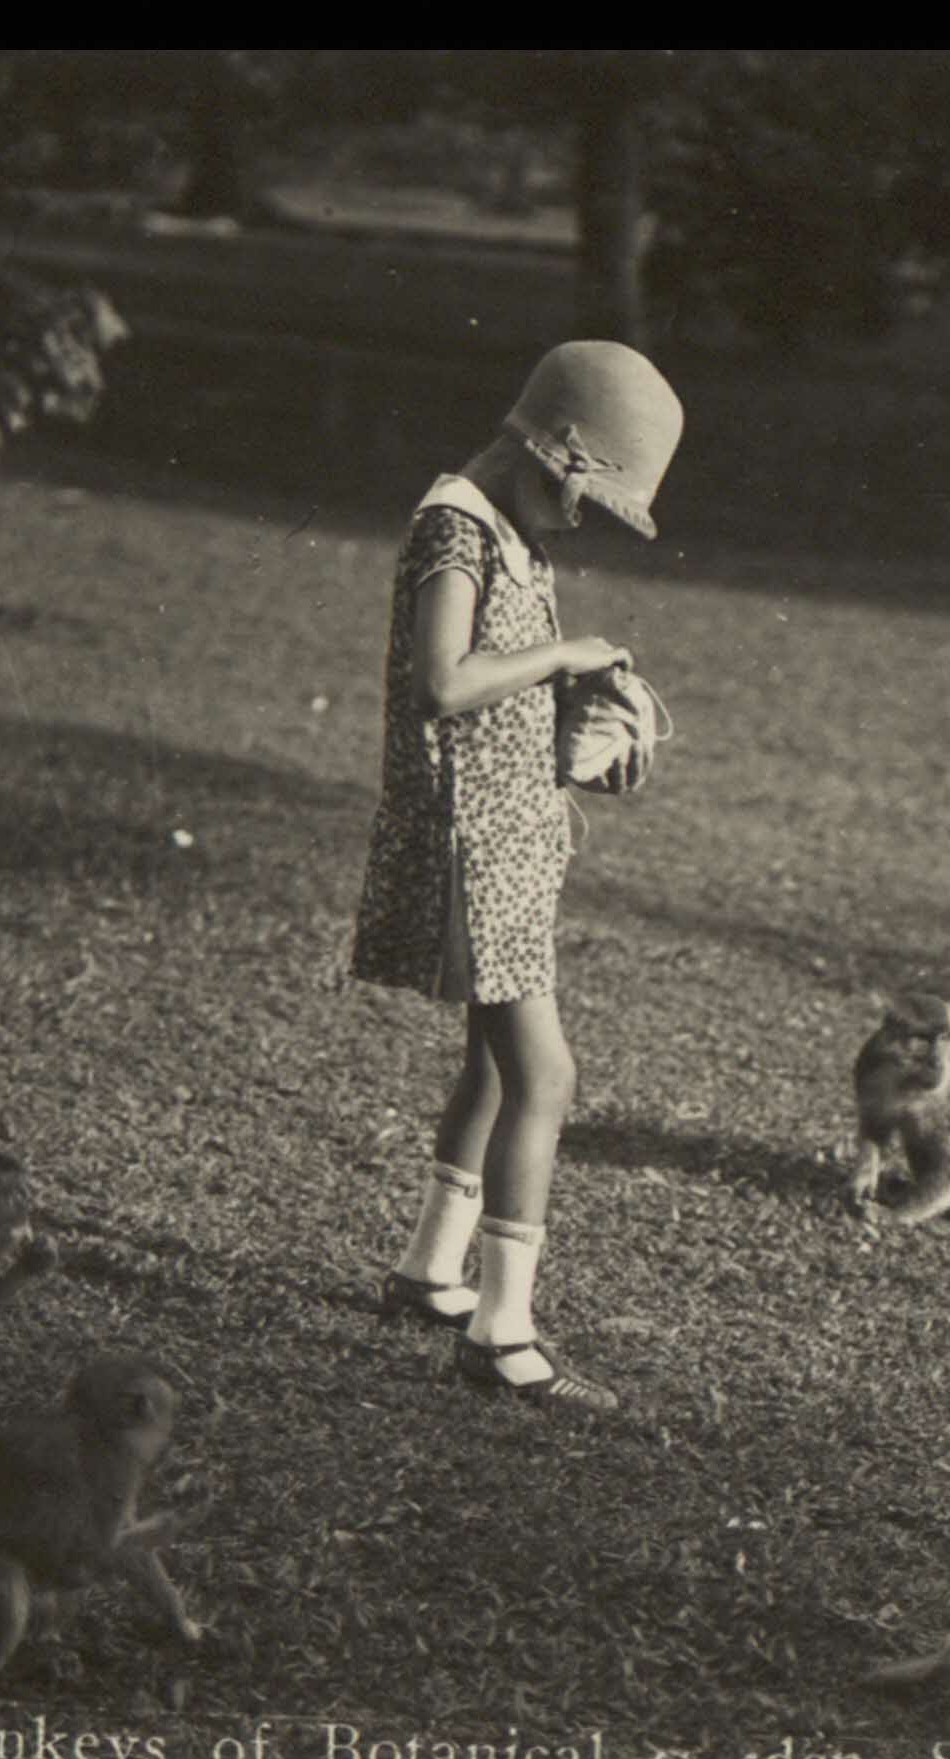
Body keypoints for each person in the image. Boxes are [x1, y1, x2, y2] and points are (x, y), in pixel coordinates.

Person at [348, 341, 685, 1414]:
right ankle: (501, 1330)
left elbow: (494, 707)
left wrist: (580, 738)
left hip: (511, 830)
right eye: (580, 493)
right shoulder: (456, 524)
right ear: (549, 450)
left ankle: (428, 1268)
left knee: (493, 1070)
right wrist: (565, 655)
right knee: (546, 1076)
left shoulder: (504, 525)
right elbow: (443, 682)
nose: (580, 519)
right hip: (469, 843)